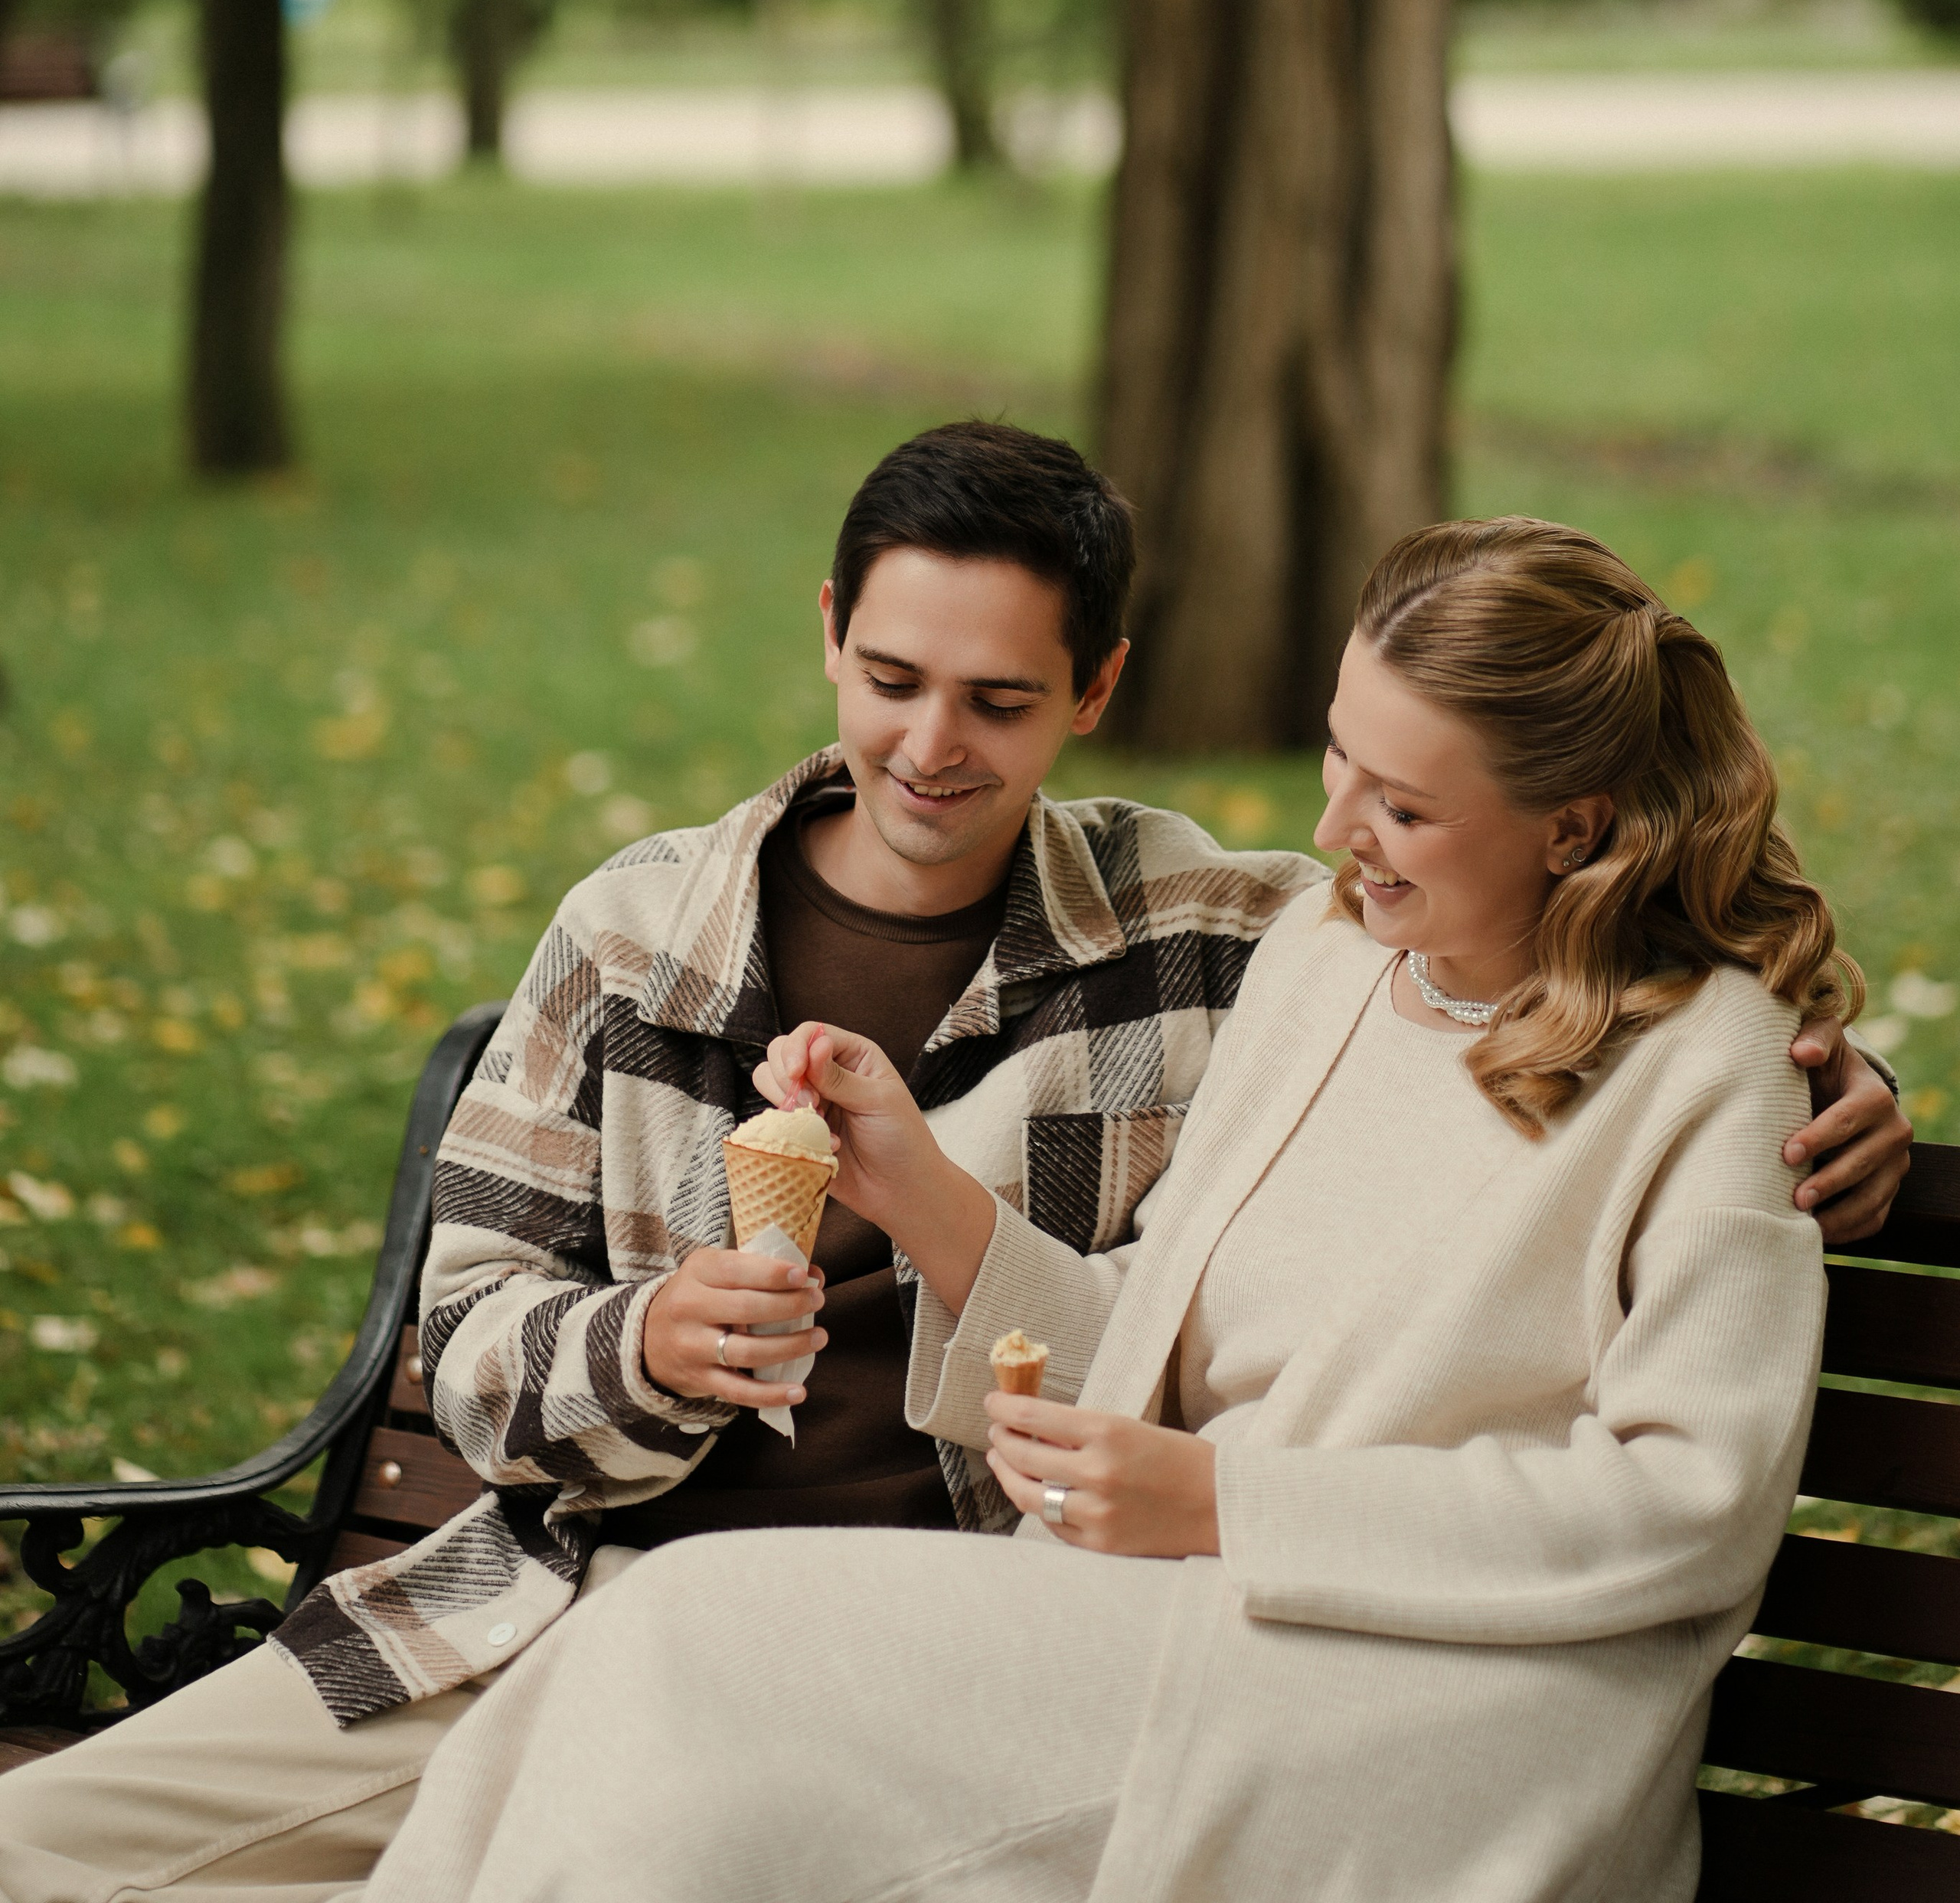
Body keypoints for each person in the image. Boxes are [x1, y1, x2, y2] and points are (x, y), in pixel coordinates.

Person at [0, 460, 1903, 1901]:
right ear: (824, 630)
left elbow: (1664, 1444)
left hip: (1235, 1664)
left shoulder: (1237, 938)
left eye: (999, 700)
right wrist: (733, 1291)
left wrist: (1831, 1074)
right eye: (891, 677)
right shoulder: (654, 934)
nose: (929, 745)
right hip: (559, 1587)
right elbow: (481, 1362)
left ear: (1093, 692)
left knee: (674, 1695)